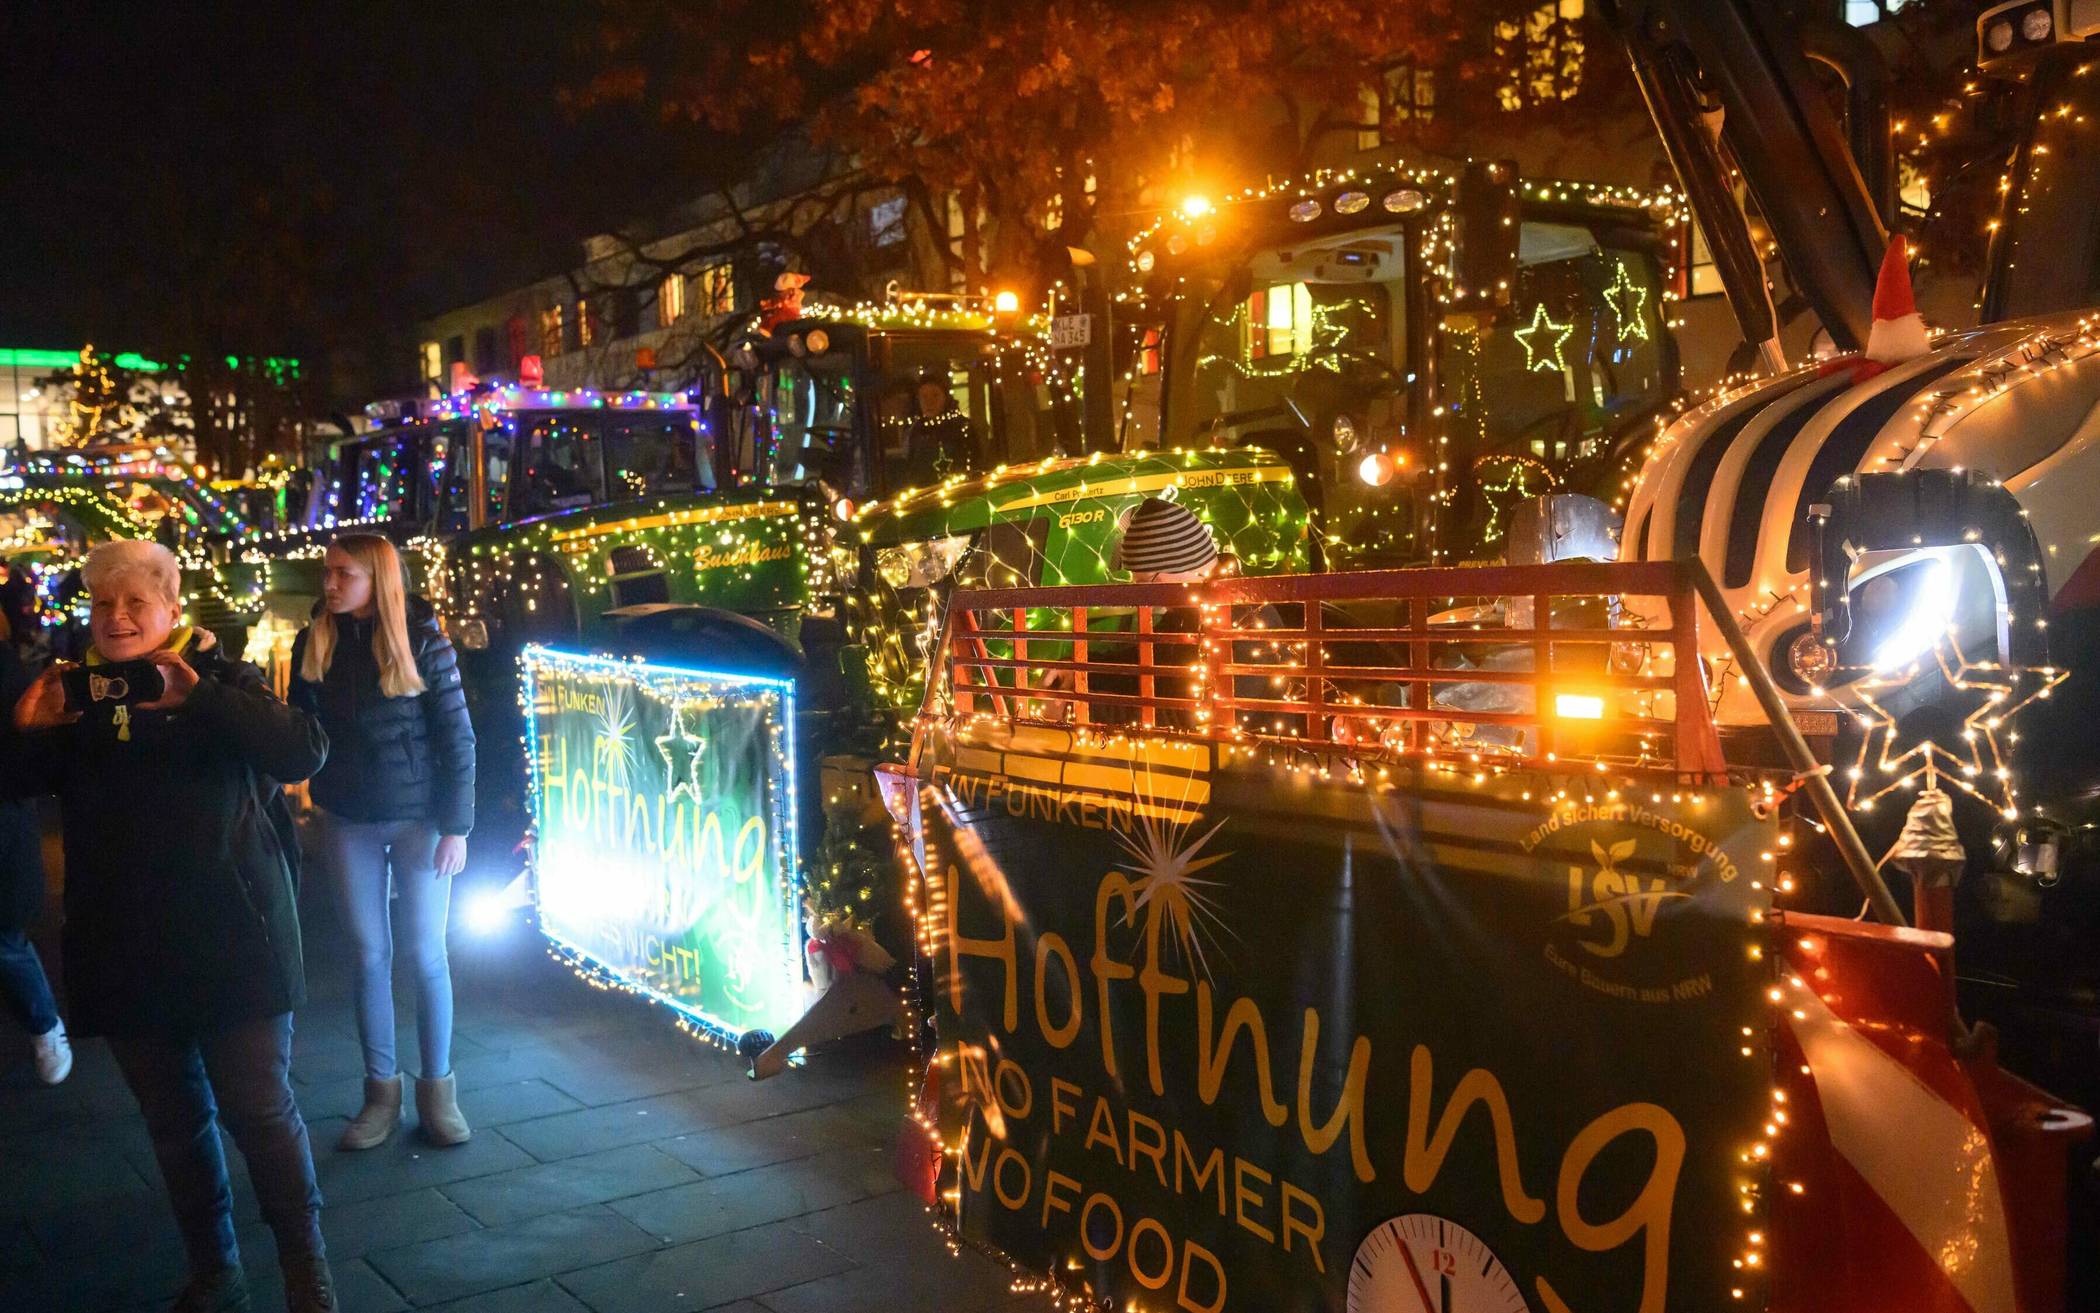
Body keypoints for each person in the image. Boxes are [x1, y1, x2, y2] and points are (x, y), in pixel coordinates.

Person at [5, 540, 334, 1312]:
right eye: (103, 603)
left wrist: (202, 696)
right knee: (174, 1122)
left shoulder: (220, 677)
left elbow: (303, 750)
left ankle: (306, 1271)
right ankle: (217, 1271)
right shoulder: (76, 694)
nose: (117, 617)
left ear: (171, 608)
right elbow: (14, 784)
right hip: (125, 947)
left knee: (259, 1110)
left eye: (135, 602)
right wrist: (23, 729)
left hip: (235, 939)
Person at [290, 533, 475, 1152]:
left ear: (378, 579)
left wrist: (457, 826)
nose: (330, 583)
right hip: (348, 816)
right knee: (369, 955)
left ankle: (438, 1092)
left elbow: (457, 737)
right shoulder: (316, 640)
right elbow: (298, 730)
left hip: (419, 817)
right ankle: (380, 1095)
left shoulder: (422, 641)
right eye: (328, 572)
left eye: (344, 574)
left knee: (426, 954)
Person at [0, 576, 67, 1084]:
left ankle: (45, 1024)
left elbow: (23, 759)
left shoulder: (5, 664)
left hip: (4, 822)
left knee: (5, 941)